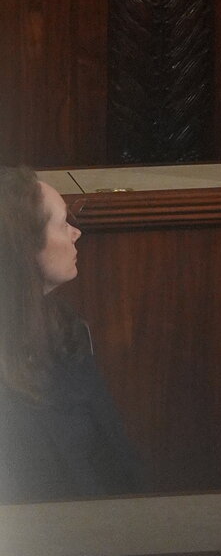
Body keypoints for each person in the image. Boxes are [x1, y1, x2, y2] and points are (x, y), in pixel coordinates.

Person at [0, 166, 142, 502]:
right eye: (63, 223)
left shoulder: (66, 328)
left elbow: (115, 458)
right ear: (25, 247)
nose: (76, 233)